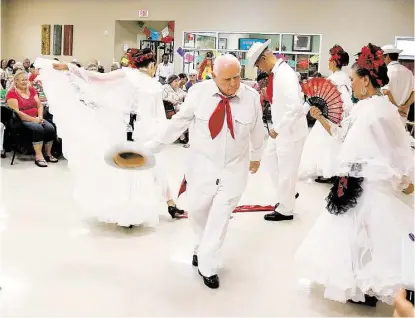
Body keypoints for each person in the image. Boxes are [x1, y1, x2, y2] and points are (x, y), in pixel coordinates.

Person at [295, 44, 414, 307]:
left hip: (371, 186)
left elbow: (396, 149)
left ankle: (369, 287)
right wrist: (322, 119)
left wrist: (405, 179)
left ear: (365, 79)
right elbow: (343, 137)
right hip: (352, 184)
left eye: (353, 79)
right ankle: (361, 287)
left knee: (371, 238)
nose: (350, 83)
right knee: (354, 238)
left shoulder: (382, 111)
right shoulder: (365, 107)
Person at [146, 54, 265, 289]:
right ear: (213, 76)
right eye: (227, 79)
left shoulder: (251, 97)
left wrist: (257, 156)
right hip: (201, 166)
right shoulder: (199, 93)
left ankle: (208, 265)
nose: (234, 84)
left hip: (234, 168)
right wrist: (152, 147)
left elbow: (258, 128)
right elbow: (179, 122)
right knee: (198, 212)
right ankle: (201, 247)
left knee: (220, 218)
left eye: (237, 77)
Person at [37, 48, 184, 225]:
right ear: (152, 65)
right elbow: (156, 113)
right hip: (139, 130)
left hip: (131, 128)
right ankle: (161, 205)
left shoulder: (130, 76)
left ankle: (163, 205)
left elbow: (97, 78)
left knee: (134, 167)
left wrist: (70, 67)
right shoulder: (149, 83)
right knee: (148, 166)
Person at [247, 39, 308, 221]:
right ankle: (288, 194)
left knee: (287, 170)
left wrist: (279, 128)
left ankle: (286, 209)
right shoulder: (278, 73)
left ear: (265, 58)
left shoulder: (284, 74)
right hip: (282, 130)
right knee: (271, 161)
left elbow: (295, 106)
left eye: (258, 65)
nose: (260, 69)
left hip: (289, 131)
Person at [299, 45, 353, 183]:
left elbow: (345, 101)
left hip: (331, 117)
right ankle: (331, 171)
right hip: (336, 116)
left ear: (334, 62)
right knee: (331, 143)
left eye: (329, 59)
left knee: (327, 143)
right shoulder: (345, 77)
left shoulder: (335, 79)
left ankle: (329, 172)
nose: (328, 62)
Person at [5, 70, 58, 167]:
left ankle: (48, 154)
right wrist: (33, 120)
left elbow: (39, 106)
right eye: (22, 80)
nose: (25, 82)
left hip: (36, 117)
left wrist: (40, 117)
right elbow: (17, 112)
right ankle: (39, 156)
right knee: (38, 129)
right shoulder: (11, 93)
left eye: (26, 80)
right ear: (16, 81)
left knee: (50, 128)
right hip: (20, 120)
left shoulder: (32, 90)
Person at [381, 44, 414, 126]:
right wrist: (405, 107)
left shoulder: (386, 71)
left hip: (388, 115)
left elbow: (386, 92)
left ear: (387, 56)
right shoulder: (409, 72)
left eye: (382, 57)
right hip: (403, 114)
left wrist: (397, 108)